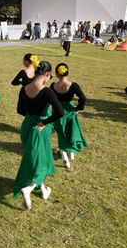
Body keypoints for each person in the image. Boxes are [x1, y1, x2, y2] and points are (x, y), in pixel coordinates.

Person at [15, 61, 64, 209]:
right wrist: (43, 122)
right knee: (41, 161)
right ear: (48, 74)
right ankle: (29, 188)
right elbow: (60, 112)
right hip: (39, 129)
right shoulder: (47, 92)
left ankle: (43, 190)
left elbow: (20, 110)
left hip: (27, 126)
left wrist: (31, 116)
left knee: (35, 159)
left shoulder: (24, 89)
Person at [50, 63, 88, 168]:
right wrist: (78, 108)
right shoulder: (73, 86)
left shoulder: (53, 86)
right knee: (71, 131)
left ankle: (64, 156)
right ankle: (71, 154)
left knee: (61, 133)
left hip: (57, 112)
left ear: (57, 74)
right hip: (70, 111)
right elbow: (83, 98)